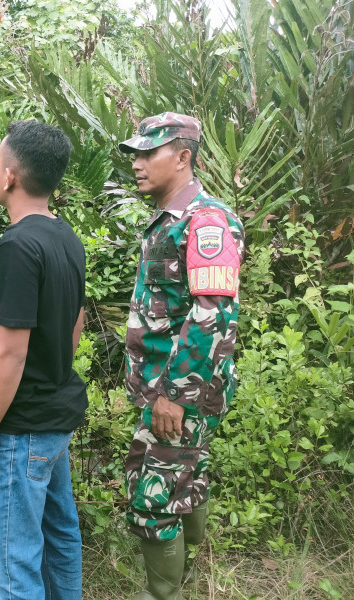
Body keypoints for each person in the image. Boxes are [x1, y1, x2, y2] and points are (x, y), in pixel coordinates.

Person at [118, 113, 244, 600]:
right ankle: (192, 571)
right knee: (183, 475)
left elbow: (212, 314)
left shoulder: (206, 220)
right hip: (169, 390)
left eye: (150, 153)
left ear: (183, 156)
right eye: (137, 153)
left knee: (151, 497)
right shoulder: (169, 219)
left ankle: (164, 593)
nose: (139, 163)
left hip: (183, 393)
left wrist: (173, 394)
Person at [0, 120, 87, 600]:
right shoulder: (66, 237)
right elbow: (74, 324)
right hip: (56, 419)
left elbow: (11, 352)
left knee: (12, 564)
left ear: (10, 175)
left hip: (22, 429)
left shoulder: (17, 246)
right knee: (59, 537)